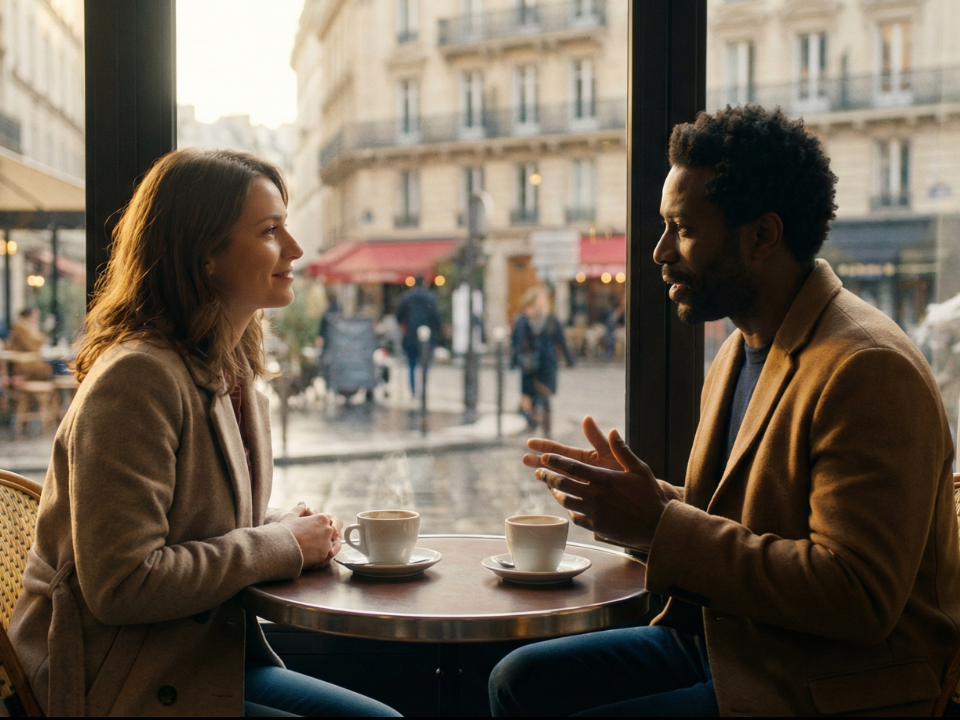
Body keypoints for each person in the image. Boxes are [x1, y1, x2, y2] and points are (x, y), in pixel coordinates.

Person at [489, 106, 960, 716]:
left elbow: (858, 596)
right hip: (736, 640)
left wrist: (658, 523)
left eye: (681, 229)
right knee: (518, 679)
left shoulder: (868, 368)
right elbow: (752, 520)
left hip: (831, 679)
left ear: (762, 235)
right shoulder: (742, 344)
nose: (659, 252)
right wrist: (642, 500)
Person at [8, 149, 401, 717]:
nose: (294, 249)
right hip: (113, 684)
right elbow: (122, 583)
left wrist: (284, 530)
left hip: (198, 662)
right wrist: (281, 544)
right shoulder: (137, 378)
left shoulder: (233, 374)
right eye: (270, 231)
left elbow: (195, 531)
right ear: (205, 255)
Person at [511, 286, 575, 430]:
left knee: (544, 397)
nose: (543, 302)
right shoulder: (523, 319)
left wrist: (570, 359)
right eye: (540, 299)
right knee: (531, 397)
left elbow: (561, 339)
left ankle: (546, 430)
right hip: (529, 365)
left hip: (547, 365)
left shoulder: (550, 319)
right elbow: (517, 341)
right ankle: (532, 423)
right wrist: (515, 361)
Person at [395, 277, 441, 397]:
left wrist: (405, 326)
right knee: (425, 362)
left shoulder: (406, 297)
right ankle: (423, 388)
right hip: (427, 335)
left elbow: (399, 316)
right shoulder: (431, 298)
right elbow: (436, 317)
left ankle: (414, 390)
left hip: (410, 334)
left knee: (411, 363)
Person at [8, 307, 52, 380]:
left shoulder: (28, 326)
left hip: (29, 360)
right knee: (52, 368)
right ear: (30, 314)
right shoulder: (22, 326)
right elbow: (32, 343)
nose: (37, 317)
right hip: (24, 362)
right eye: (36, 314)